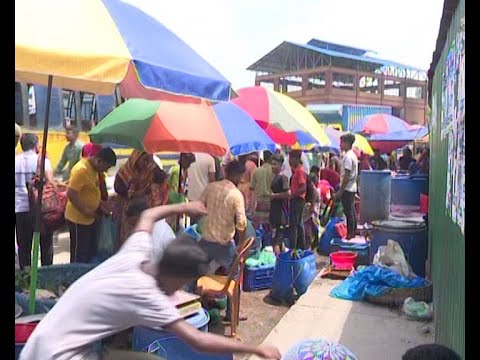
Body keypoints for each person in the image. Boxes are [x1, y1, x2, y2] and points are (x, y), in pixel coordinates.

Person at [19, 202, 281, 360]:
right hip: (59, 355)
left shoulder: (136, 251)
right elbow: (198, 340)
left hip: (48, 343)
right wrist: (256, 349)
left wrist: (184, 207)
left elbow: (148, 216)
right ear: (177, 276)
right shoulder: (146, 296)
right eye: (185, 282)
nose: (182, 289)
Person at [198, 160, 248, 321]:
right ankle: (232, 314)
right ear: (239, 176)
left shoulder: (211, 187)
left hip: (205, 241)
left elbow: (199, 206)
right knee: (235, 277)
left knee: (200, 276)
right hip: (225, 244)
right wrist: (240, 246)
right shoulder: (235, 195)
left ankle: (201, 310)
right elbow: (241, 224)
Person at [66, 147, 117, 263]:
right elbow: (71, 193)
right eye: (106, 167)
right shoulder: (82, 170)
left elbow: (89, 192)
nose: (106, 171)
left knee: (88, 253)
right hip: (78, 219)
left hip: (89, 218)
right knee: (79, 255)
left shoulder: (94, 170)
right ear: (99, 160)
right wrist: (86, 211)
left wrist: (100, 205)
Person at [15, 134, 56, 269]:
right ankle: (46, 277)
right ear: (36, 145)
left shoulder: (15, 161)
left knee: (24, 247)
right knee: (46, 245)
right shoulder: (42, 161)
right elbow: (51, 184)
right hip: (40, 210)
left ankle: (26, 279)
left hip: (20, 209)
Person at [114, 150, 157, 244]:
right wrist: (133, 194)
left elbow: (158, 180)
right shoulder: (125, 171)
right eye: (144, 160)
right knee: (125, 235)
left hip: (142, 207)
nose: (146, 163)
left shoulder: (149, 171)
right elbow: (118, 188)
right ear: (136, 158)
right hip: (127, 207)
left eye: (148, 160)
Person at [334, 133, 358, 240]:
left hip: (347, 188)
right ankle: (353, 232)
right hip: (352, 187)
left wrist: (341, 190)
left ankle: (350, 235)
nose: (340, 145)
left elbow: (347, 175)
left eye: (342, 142)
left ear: (347, 143)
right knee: (351, 211)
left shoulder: (348, 157)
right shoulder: (353, 155)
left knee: (349, 212)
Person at [269, 155, 290, 256]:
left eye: (275, 164)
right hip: (275, 211)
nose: (273, 166)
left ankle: (277, 261)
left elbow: (288, 194)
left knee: (276, 240)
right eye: (272, 164)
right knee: (278, 239)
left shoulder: (283, 177)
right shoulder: (275, 177)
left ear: (281, 165)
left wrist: (274, 196)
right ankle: (282, 260)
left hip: (281, 212)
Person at [288, 150, 307, 250]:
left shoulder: (300, 171)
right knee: (298, 224)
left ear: (296, 159)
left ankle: (294, 248)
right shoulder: (296, 171)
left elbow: (303, 187)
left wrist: (292, 195)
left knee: (294, 225)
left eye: (291, 159)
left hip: (297, 200)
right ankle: (301, 247)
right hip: (297, 200)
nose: (289, 161)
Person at [250, 151, 274, 229]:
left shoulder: (256, 171)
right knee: (269, 227)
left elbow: (252, 188)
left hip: (259, 201)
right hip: (271, 201)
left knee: (258, 227)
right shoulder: (274, 171)